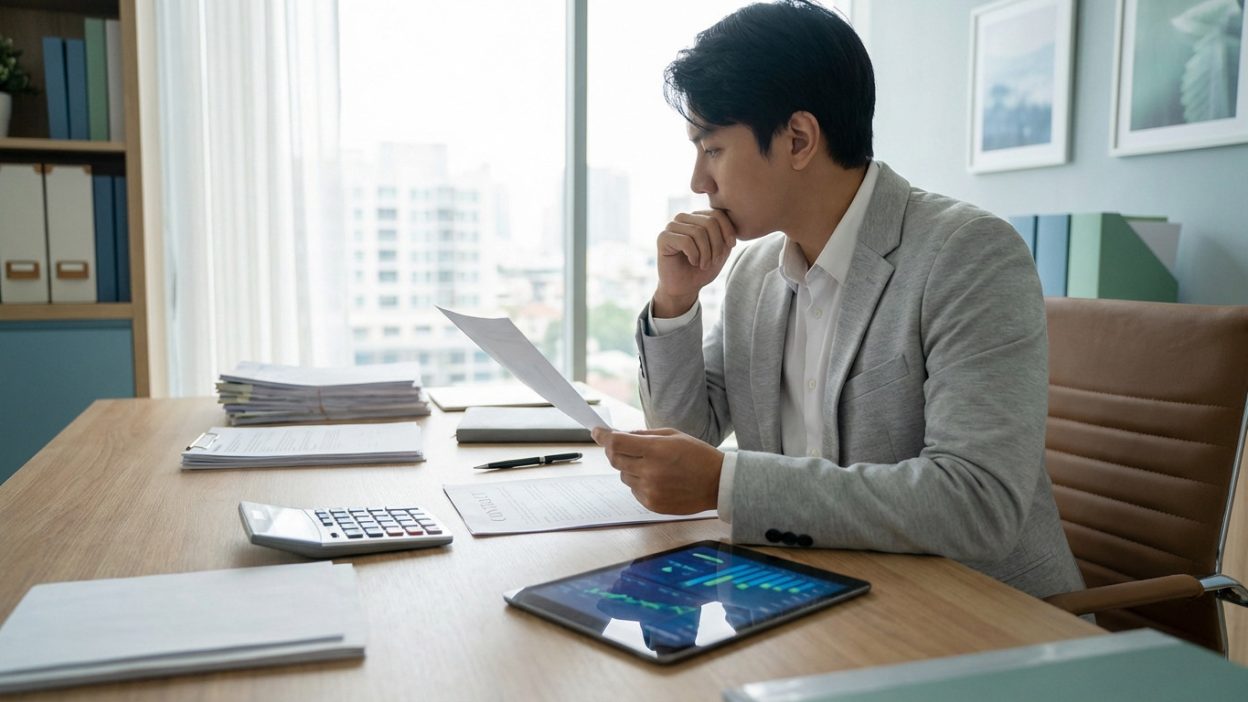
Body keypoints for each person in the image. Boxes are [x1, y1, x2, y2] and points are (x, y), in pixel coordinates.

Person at [591, 0, 1084, 599]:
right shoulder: (754, 272)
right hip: (813, 596)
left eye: (712, 147)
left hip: (975, 618)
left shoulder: (968, 253)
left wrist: (730, 482)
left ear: (798, 138)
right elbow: (684, 439)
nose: (699, 180)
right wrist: (676, 300)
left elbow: (977, 503)